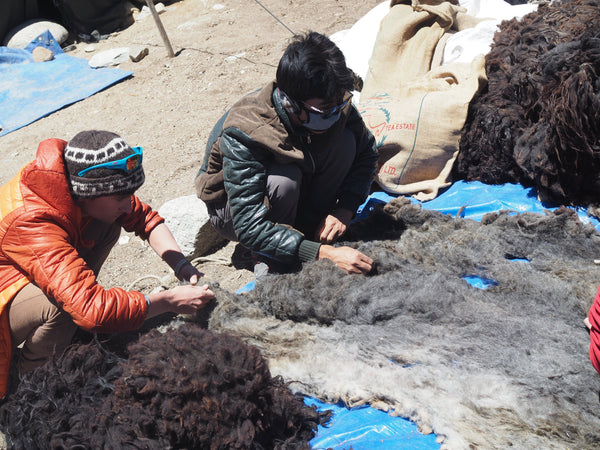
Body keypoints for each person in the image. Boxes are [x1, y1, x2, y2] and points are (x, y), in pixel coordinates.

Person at [0, 130, 215, 398]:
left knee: (106, 225)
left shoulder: (79, 184)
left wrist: (181, 264)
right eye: (120, 198)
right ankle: (31, 384)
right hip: (5, 292)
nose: (128, 205)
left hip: (28, 272)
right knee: (62, 308)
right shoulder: (32, 220)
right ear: (87, 195)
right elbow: (89, 308)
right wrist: (167, 302)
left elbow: (144, 218)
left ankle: (69, 335)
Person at [195, 31, 378, 275]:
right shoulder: (246, 130)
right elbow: (249, 223)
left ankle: (305, 229)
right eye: (324, 109)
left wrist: (345, 207)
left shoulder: (333, 102)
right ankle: (268, 254)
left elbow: (367, 153)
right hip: (237, 211)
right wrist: (322, 254)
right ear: (290, 103)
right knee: (284, 180)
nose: (335, 112)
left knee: (346, 142)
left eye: (340, 103)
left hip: (301, 185)